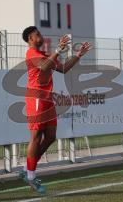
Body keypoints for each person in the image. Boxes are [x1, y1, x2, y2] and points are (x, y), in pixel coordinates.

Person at [19, 26, 91, 195]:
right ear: (30, 39)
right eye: (37, 34)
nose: (40, 36)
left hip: (47, 99)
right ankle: (30, 176)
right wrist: (58, 50)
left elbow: (64, 68)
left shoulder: (44, 55)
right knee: (36, 137)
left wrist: (78, 55)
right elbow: (44, 67)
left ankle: (26, 169)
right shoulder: (31, 53)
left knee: (51, 136)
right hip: (36, 98)